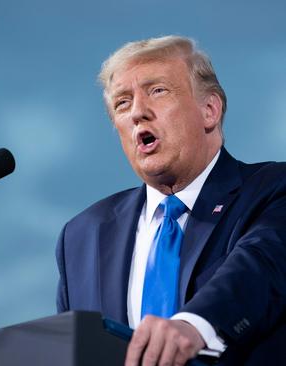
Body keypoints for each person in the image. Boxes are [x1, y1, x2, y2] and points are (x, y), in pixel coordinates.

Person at [56, 35, 286, 365]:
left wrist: (193, 326)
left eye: (157, 91)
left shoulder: (273, 190)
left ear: (209, 110)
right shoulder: (81, 236)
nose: (137, 112)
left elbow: (258, 269)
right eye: (122, 103)